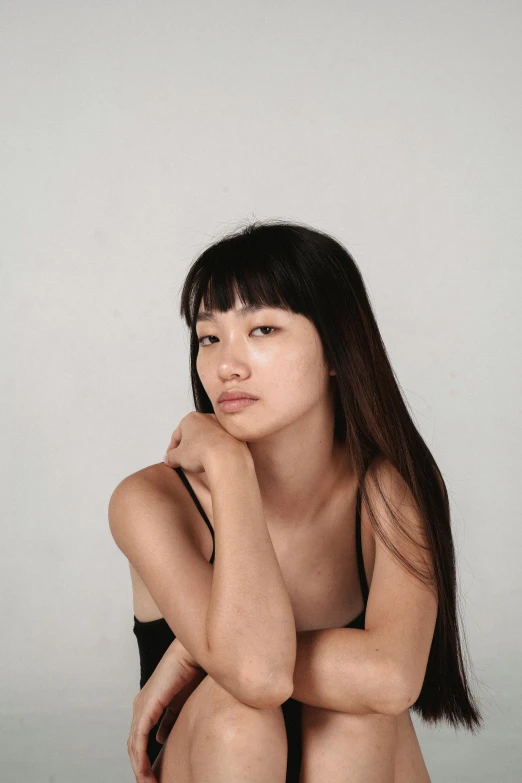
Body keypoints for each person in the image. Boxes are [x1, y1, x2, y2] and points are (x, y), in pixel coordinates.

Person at [108, 219, 483, 783]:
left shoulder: (388, 492)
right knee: (241, 712)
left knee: (357, 719)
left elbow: (391, 680)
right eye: (210, 338)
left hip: (356, 760)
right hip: (215, 755)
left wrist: (192, 653)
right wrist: (231, 470)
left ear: (336, 348)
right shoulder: (152, 501)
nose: (227, 364)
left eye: (262, 330)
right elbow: (256, 677)